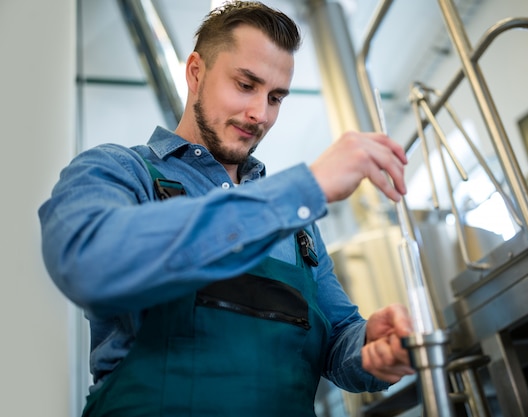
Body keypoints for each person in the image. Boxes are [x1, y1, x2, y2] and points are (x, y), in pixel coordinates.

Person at [39, 1, 415, 415]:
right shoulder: (121, 171)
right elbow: (88, 261)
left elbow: (337, 337)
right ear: (196, 72)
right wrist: (304, 188)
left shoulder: (299, 229)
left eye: (275, 97)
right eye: (245, 85)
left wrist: (370, 347)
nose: (260, 114)